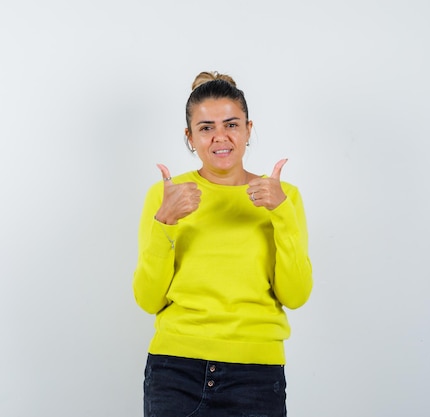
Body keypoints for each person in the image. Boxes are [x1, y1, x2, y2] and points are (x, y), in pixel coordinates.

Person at [133, 71, 313, 417]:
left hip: (257, 375)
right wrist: (165, 223)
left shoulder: (284, 196)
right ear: (190, 136)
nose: (220, 138)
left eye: (231, 124)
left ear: (248, 128)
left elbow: (296, 295)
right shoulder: (164, 196)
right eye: (206, 128)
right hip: (175, 371)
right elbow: (147, 299)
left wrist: (282, 214)